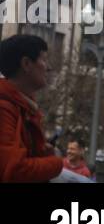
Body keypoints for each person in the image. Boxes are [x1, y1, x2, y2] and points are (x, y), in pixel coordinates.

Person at [0, 35, 64, 183]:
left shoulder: (24, 107)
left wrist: (41, 152)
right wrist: (56, 163)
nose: (48, 67)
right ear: (26, 64)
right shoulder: (4, 108)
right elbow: (14, 170)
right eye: (44, 59)